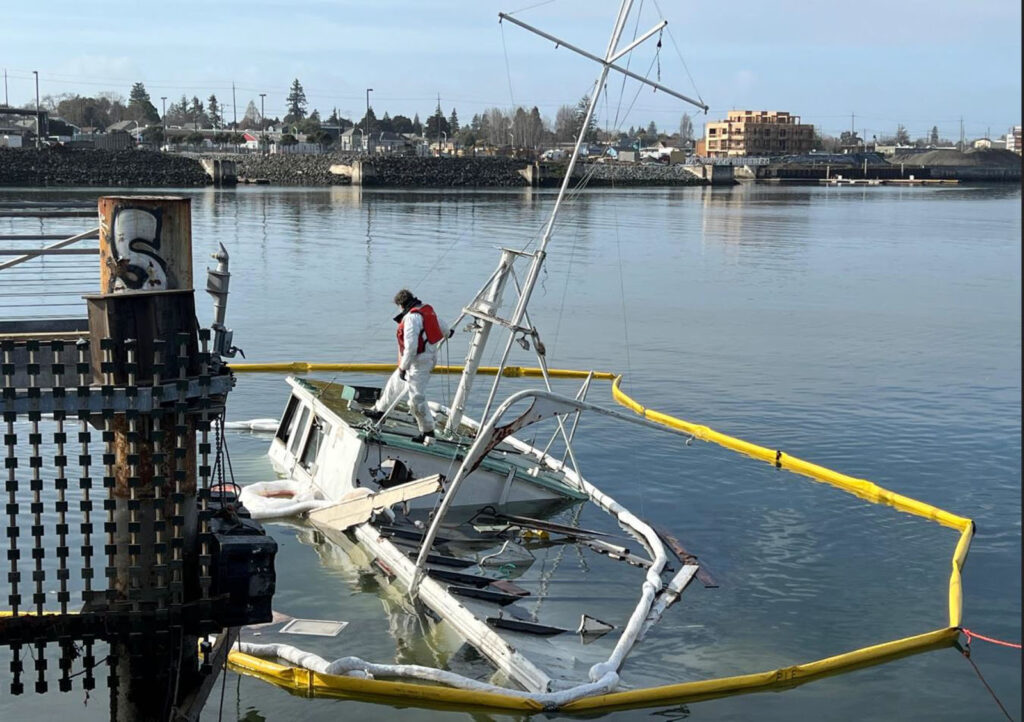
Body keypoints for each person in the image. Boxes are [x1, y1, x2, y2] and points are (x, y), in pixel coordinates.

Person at [364, 289, 451, 442]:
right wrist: (449, 332)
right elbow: (446, 330)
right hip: (423, 359)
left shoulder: (411, 318)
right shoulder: (426, 310)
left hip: (419, 363)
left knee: (416, 398)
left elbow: (411, 347)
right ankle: (380, 410)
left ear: (400, 305)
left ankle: (428, 431)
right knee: (394, 384)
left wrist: (403, 367)